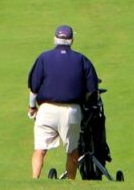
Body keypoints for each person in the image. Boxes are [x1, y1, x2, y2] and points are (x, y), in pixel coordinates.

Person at [26, 25, 99, 180]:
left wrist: (32, 107)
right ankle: (70, 184)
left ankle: (34, 179)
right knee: (72, 150)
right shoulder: (82, 60)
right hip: (71, 111)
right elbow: (92, 89)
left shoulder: (43, 58)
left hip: (46, 110)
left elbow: (34, 88)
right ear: (72, 40)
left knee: (40, 149)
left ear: (55, 38)